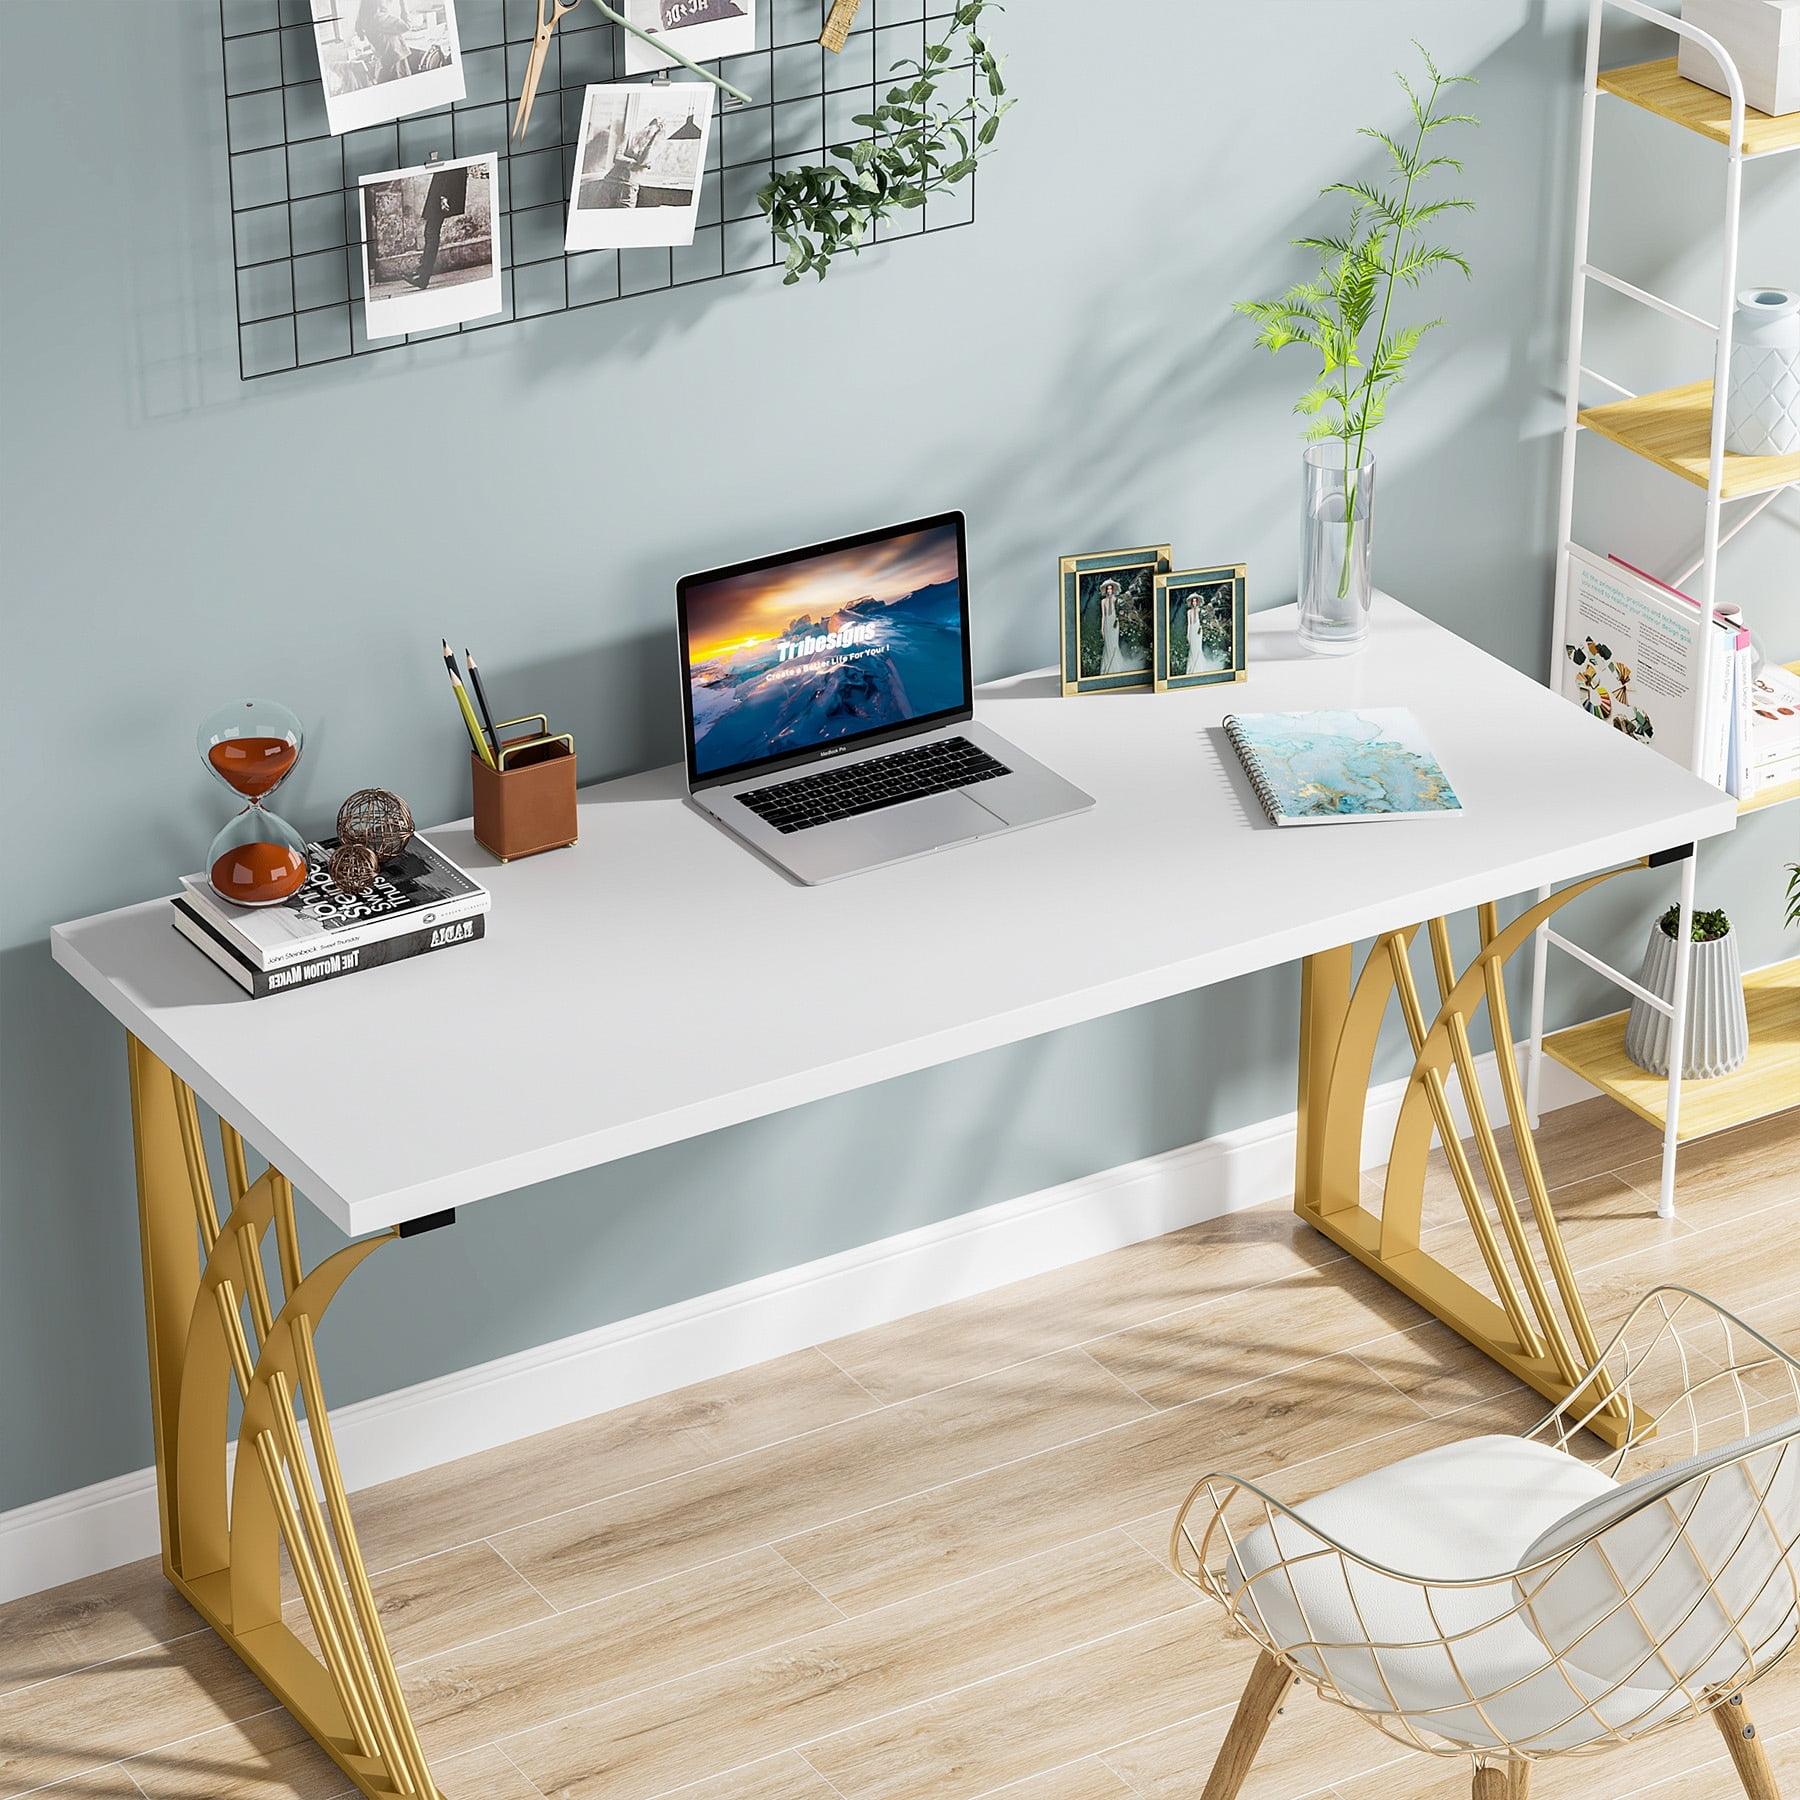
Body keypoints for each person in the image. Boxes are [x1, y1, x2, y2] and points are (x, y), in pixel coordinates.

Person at [411, 162, 468, 290]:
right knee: (431, 231)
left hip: (442, 191)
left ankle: (422, 276)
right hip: (441, 189)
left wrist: (444, 195)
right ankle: (420, 272)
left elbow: (451, 167)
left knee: (431, 232)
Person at [1098, 577, 1125, 675]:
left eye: (1110, 588)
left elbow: (1120, 612)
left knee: (1114, 644)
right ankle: (1107, 668)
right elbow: (1103, 616)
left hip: (1114, 624)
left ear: (1113, 589)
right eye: (1108, 589)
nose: (1109, 590)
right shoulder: (1103, 601)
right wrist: (1102, 628)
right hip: (1107, 624)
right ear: (1106, 590)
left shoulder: (1116, 600)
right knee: (1107, 645)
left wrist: (1120, 618)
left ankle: (1115, 668)